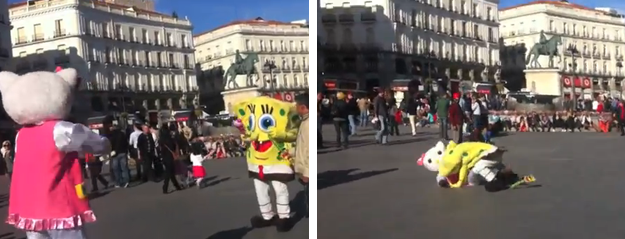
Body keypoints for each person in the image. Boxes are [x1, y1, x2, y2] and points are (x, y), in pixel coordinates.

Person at [3, 68, 111, 238]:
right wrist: (105, 144)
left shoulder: (20, 135)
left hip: (30, 208)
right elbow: (95, 144)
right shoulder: (60, 129)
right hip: (59, 204)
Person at [292, 93, 309, 216]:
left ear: (303, 107)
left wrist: (307, 172)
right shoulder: (305, 121)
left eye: (297, 106)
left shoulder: (308, 124)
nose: (295, 108)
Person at [102, 117, 130, 188]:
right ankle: (126, 181)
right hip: (123, 152)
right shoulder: (122, 134)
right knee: (124, 168)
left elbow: (110, 143)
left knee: (116, 169)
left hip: (114, 153)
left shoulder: (112, 135)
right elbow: (126, 143)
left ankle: (118, 182)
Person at [158, 125, 183, 194]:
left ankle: (177, 186)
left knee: (171, 172)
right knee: (169, 173)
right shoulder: (170, 138)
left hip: (164, 157)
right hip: (170, 157)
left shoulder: (161, 139)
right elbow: (174, 146)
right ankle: (165, 188)